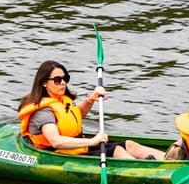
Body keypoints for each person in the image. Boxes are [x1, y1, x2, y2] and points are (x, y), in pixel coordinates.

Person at [18, 60, 164, 159]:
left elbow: (75, 115)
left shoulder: (60, 100)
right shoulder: (43, 112)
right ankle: (148, 170)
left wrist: (90, 99)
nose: (63, 83)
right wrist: (93, 141)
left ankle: (170, 160)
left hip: (75, 147)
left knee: (129, 145)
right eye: (57, 80)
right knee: (116, 150)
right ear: (44, 82)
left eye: (65, 78)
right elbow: (56, 141)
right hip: (58, 154)